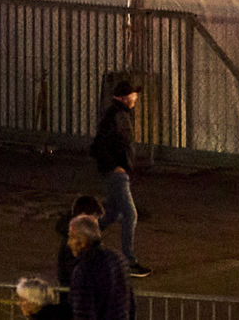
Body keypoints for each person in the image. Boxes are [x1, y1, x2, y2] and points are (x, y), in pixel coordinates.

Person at [91, 78, 149, 277]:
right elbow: (99, 144)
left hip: (118, 171)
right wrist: (115, 166)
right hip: (117, 173)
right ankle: (129, 262)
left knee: (113, 214)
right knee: (130, 214)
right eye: (133, 95)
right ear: (125, 98)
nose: (136, 99)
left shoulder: (119, 114)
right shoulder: (115, 116)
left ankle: (80, 238)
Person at [66, 212, 132, 320]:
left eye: (71, 237)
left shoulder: (84, 270)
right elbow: (130, 301)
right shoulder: (118, 258)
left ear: (83, 241)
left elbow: (84, 313)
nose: (68, 243)